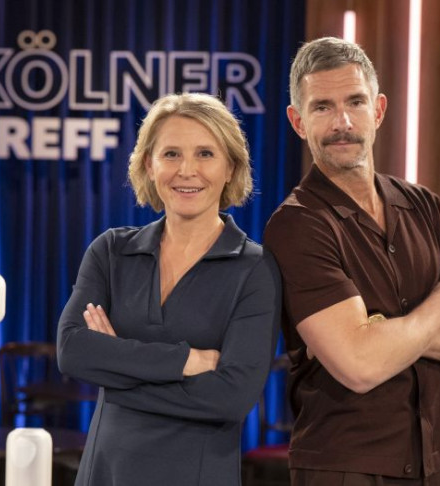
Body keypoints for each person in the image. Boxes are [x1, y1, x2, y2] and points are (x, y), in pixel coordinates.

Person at [264, 37, 440, 485]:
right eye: (322, 107)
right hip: (346, 467)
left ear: (379, 110)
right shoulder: (296, 225)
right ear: (298, 122)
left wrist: (381, 334)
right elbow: (360, 366)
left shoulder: (425, 206)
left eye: (355, 102)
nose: (343, 122)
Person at [57, 92, 281, 486]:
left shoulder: (256, 269)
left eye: (205, 154)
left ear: (230, 167)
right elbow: (73, 351)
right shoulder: (111, 251)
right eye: (171, 154)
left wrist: (115, 370)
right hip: (105, 474)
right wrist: (186, 361)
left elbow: (231, 398)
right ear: (149, 164)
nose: (187, 170)